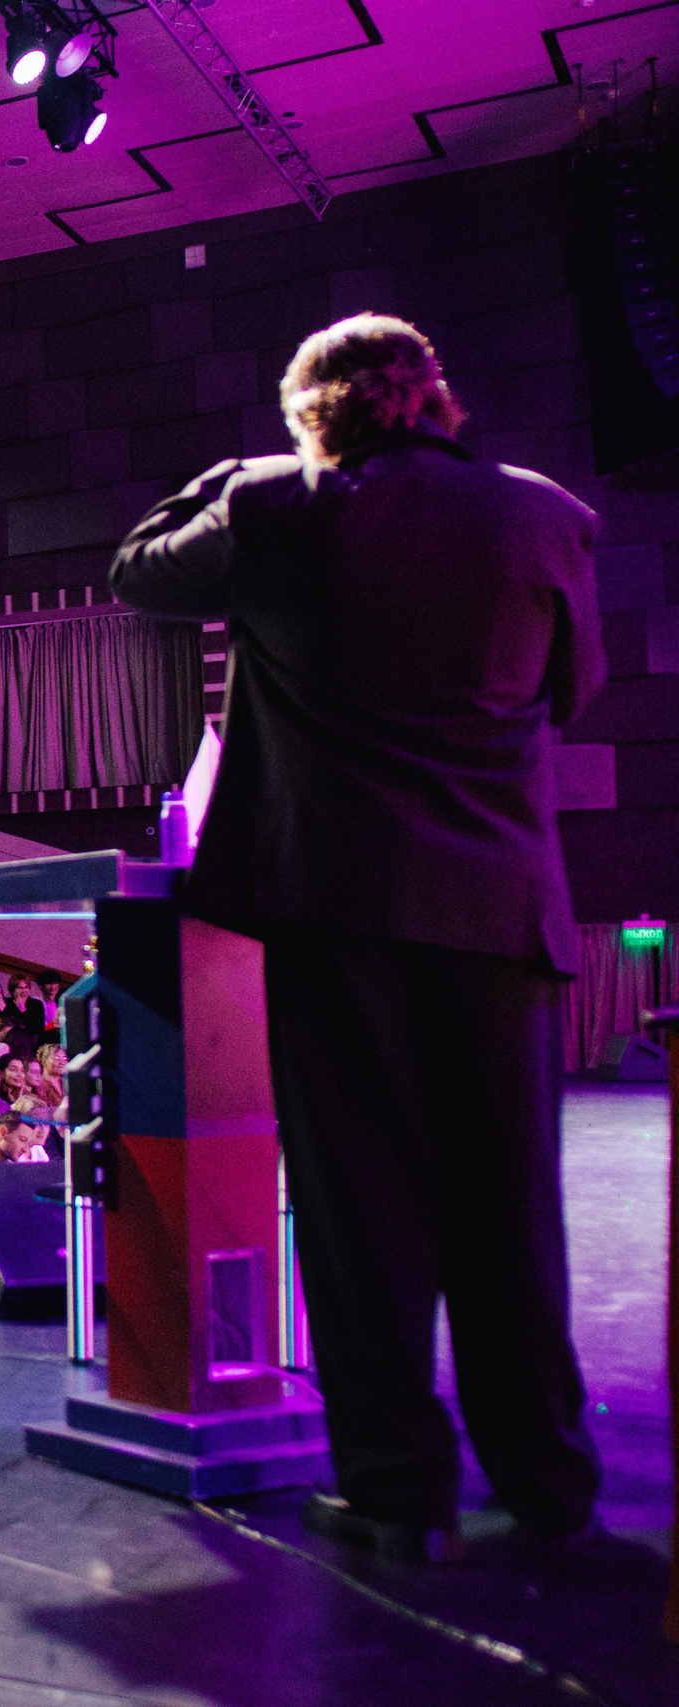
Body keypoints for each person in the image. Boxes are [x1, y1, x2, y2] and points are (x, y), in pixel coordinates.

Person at [111, 312, 604, 1558]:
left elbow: (137, 569)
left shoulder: (274, 508)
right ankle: (545, 1481)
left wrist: (236, 474)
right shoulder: (542, 514)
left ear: (309, 414)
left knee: (362, 1210)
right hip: (497, 913)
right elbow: (575, 688)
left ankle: (397, 1488)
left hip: (342, 914)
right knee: (510, 1210)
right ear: (435, 396)